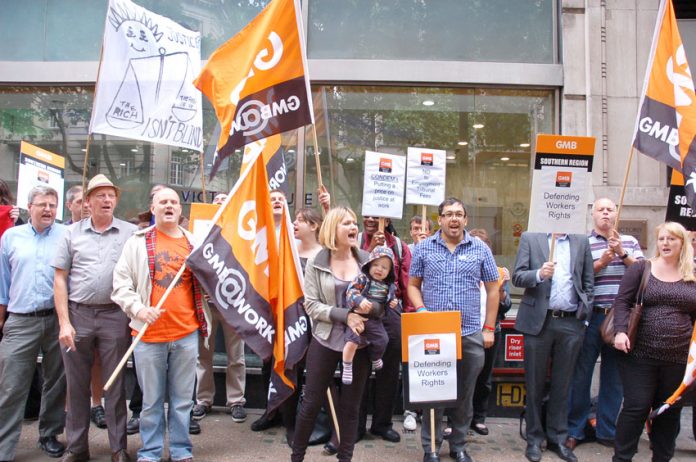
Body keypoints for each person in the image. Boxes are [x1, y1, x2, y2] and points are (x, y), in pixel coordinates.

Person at [112, 187, 210, 462]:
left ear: (181, 210)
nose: (169, 206)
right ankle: (151, 452)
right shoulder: (137, 243)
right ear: (153, 208)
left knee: (182, 402)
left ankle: (180, 451)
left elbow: (208, 286)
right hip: (147, 336)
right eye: (163, 202)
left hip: (186, 334)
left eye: (174, 202)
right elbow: (120, 284)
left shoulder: (195, 245)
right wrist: (139, 309)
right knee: (151, 402)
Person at [408, 197, 500, 462]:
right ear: (439, 220)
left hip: (470, 333)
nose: (454, 218)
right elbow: (413, 285)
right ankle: (431, 448)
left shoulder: (480, 249)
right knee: (433, 394)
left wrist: (489, 328)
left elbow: (493, 289)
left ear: (466, 219)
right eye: (448, 214)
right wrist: (422, 310)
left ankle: (458, 445)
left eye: (459, 213)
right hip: (434, 333)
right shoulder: (424, 248)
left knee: (464, 394)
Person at [53, 174, 137, 462]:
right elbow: (60, 279)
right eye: (100, 195)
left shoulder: (130, 232)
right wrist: (64, 322)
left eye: (111, 195)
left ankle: (118, 448)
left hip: (115, 315)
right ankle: (76, 448)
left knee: (114, 384)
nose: (107, 200)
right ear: (87, 202)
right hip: (78, 315)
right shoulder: (70, 233)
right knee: (76, 385)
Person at [291, 206, 371, 462]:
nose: (353, 227)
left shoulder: (367, 260)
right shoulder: (317, 261)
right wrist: (344, 315)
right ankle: (297, 457)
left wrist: (373, 309)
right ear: (332, 228)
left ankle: (345, 458)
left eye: (354, 223)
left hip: (358, 343)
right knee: (310, 403)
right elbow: (311, 304)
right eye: (346, 223)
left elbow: (384, 298)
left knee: (350, 408)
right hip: (325, 339)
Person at [612, 222, 696, 462]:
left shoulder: (692, 274)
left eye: (672, 239)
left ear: (683, 243)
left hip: (679, 359)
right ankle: (622, 457)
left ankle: (662, 458)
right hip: (639, 355)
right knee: (636, 407)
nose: (666, 243)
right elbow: (622, 302)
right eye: (661, 239)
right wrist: (620, 331)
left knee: (669, 412)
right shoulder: (641, 268)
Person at [566, 198, 643, 450]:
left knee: (615, 377)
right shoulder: (582, 243)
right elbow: (576, 278)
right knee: (581, 375)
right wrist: (602, 262)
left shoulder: (629, 242)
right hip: (592, 316)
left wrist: (622, 254)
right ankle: (575, 428)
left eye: (610, 209)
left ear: (616, 213)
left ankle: (607, 430)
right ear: (593, 214)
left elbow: (645, 274)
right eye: (601, 209)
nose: (606, 213)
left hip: (622, 320)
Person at [512, 231, 594, 462]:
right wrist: (539, 274)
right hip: (539, 321)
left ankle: (558, 437)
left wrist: (584, 315)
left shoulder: (581, 241)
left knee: (563, 384)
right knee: (534, 383)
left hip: (571, 322)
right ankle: (534, 439)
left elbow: (588, 281)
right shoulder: (531, 238)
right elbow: (517, 277)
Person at [0, 185, 67, 460]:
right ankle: (4, 445)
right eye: (42, 204)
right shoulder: (11, 237)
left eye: (52, 205)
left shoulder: (66, 235)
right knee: (11, 384)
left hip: (56, 318)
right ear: (31, 207)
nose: (48, 209)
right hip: (20, 320)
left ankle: (49, 434)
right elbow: (2, 280)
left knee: (56, 381)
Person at [193, 190, 248, 425]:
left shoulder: (242, 233)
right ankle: (203, 400)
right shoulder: (198, 232)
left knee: (237, 356)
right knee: (202, 355)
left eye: (225, 200)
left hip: (233, 304)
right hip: (205, 302)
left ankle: (236, 400)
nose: (220, 204)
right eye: (216, 201)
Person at [357, 215, 412, 444]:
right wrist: (370, 250)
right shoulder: (356, 240)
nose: (371, 219)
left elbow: (408, 282)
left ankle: (382, 424)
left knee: (389, 372)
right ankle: (356, 425)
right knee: (359, 369)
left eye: (377, 215)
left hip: (390, 314)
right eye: (367, 214)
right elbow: (350, 274)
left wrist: (407, 314)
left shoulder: (400, 247)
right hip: (360, 311)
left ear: (387, 218)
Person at [468, 228, 512, 437]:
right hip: (466, 330)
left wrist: (502, 289)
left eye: (483, 246)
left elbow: (506, 306)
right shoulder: (463, 268)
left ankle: (478, 418)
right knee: (462, 377)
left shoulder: (496, 272)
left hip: (490, 331)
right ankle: (458, 418)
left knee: (484, 378)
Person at [343, 247, 398, 384]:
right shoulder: (363, 279)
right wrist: (360, 300)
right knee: (352, 342)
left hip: (375, 320)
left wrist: (393, 301)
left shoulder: (388, 286)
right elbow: (351, 291)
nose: (379, 269)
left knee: (383, 340)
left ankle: (375, 357)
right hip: (358, 317)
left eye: (384, 268)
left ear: (390, 271)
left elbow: (390, 298)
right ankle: (347, 365)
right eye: (375, 265)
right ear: (369, 265)